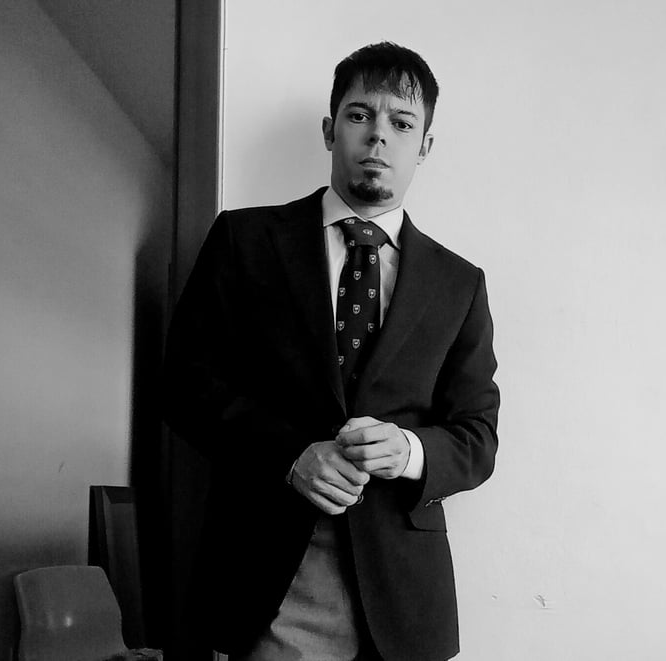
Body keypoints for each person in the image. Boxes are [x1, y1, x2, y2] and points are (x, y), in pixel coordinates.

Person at [163, 41, 499, 661]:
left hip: (404, 598)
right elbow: (184, 384)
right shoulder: (243, 239)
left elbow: (478, 435)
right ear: (329, 129)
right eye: (359, 115)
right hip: (266, 575)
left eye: (402, 123)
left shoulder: (460, 284)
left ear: (425, 147)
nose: (379, 137)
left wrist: (411, 451)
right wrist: (290, 454)